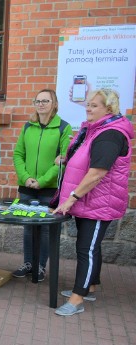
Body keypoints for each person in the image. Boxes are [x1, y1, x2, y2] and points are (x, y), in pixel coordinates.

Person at [53, 89, 133, 316]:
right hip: (91, 201)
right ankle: (90, 285)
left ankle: (77, 299)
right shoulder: (95, 130)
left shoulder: (110, 135)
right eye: (88, 104)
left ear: (109, 109)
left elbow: (97, 172)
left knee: (85, 249)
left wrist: (72, 199)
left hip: (98, 202)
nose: (88, 108)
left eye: (94, 105)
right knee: (90, 246)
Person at [12, 89, 72, 282]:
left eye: (45, 101)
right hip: (27, 186)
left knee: (45, 228)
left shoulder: (64, 128)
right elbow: (18, 155)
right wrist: (26, 177)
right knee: (28, 226)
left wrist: (43, 180)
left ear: (54, 103)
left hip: (49, 189)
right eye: (37, 101)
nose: (41, 104)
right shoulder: (28, 127)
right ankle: (28, 262)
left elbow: (63, 160)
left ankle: (40, 266)